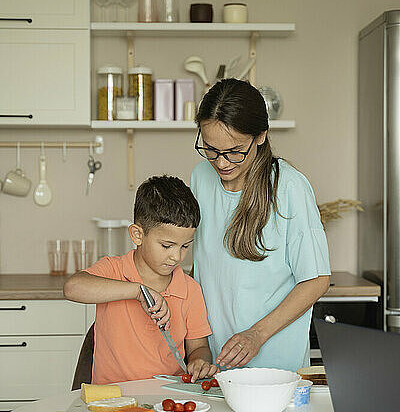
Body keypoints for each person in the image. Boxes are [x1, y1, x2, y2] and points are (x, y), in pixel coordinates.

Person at [190, 78, 331, 373]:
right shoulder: (200, 178)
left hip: (276, 368)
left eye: (234, 151)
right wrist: (197, 346)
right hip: (215, 366)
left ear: (261, 136)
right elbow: (202, 270)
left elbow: (316, 279)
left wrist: (257, 335)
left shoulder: (290, 187)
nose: (221, 162)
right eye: (211, 149)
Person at [64, 175, 217, 384]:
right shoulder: (114, 270)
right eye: (166, 245)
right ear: (137, 235)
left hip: (167, 396)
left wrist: (200, 362)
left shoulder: (190, 290)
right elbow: (72, 288)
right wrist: (137, 291)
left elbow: (199, 347)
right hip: (112, 397)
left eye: (185, 246)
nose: (177, 257)